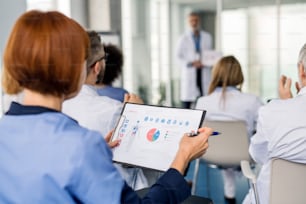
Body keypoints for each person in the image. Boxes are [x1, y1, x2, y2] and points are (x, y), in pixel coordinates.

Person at [0, 10, 212, 203]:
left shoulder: (6, 130)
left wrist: (95, 154)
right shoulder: (80, 146)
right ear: (73, 69)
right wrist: (182, 157)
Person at [62, 31, 149, 190]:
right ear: (97, 66)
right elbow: (145, 154)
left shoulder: (58, 106)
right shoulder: (113, 110)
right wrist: (138, 113)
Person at [242, 44, 306, 204]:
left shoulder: (272, 111)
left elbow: (257, 154)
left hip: (273, 198)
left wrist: (288, 105)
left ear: (301, 70)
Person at [195, 56, 263, 204]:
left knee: (222, 139)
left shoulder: (203, 102)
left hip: (209, 154)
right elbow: (265, 127)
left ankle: (229, 193)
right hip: (242, 154)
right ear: (239, 75)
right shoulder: (252, 101)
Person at [177, 11, 213, 109]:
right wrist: (191, 63)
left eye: (196, 20)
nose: (194, 23)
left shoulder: (207, 37)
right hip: (190, 72)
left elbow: (210, 54)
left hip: (203, 71)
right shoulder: (183, 38)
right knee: (186, 106)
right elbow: (178, 57)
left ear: (199, 21)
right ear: (188, 22)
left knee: (205, 102)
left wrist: (206, 62)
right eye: (191, 20)